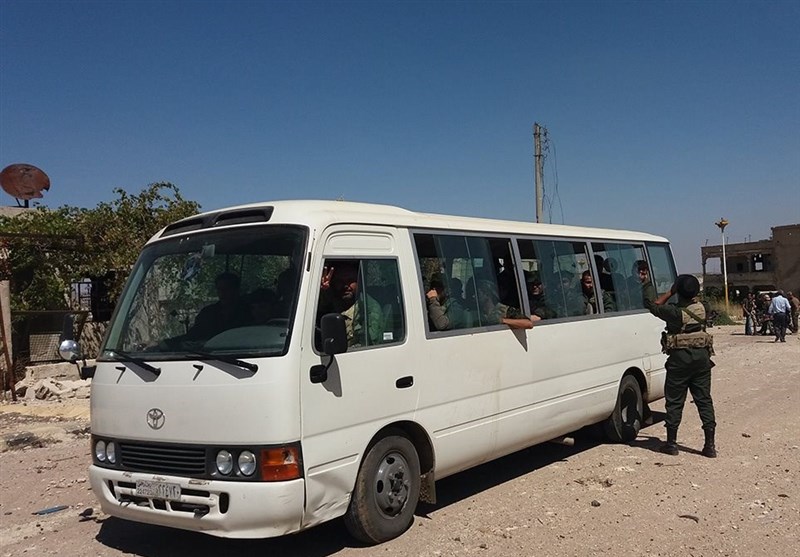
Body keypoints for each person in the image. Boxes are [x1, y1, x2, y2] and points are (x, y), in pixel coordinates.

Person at [644, 274, 717, 457]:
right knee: (704, 400)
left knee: (675, 402)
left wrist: (668, 291)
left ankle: (671, 444)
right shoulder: (704, 307)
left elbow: (653, 305)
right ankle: (709, 446)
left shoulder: (675, 313)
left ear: (678, 290)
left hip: (679, 361)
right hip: (702, 359)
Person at [317, 262, 384, 348]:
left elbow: (368, 345)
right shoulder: (335, 300)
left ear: (359, 282)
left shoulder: (368, 309)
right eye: (340, 281)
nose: (345, 285)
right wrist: (323, 290)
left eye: (350, 280)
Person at [184, 272, 249, 341]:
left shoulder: (249, 312)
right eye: (219, 289)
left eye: (226, 289)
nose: (222, 293)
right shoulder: (207, 314)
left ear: (236, 290)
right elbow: (193, 335)